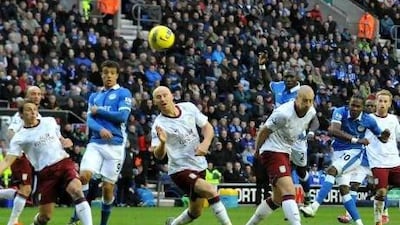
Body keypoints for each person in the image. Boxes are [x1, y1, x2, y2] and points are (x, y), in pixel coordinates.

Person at [300, 94, 390, 225]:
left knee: (331, 171)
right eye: (352, 105)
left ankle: (313, 207)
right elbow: (333, 130)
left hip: (354, 153)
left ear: (362, 108)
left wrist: (385, 136)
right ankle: (359, 223)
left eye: (357, 106)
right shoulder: (340, 111)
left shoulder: (368, 120)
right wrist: (356, 139)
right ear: (349, 104)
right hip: (338, 153)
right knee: (344, 192)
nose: (354, 108)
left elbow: (382, 137)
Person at [0, 100, 93, 225]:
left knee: (76, 190)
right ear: (21, 115)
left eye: (34, 109)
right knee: (45, 217)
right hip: (46, 173)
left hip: (64, 163)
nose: (33, 112)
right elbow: (7, 160)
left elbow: (59, 137)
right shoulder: (20, 138)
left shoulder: (49, 121)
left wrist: (65, 141)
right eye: (28, 110)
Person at [150, 86, 232, 225]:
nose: (162, 99)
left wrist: (205, 143)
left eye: (165, 95)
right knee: (211, 191)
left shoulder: (188, 107)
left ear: (172, 96)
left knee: (195, 212)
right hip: (180, 169)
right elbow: (158, 155)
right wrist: (163, 143)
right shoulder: (159, 125)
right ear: (154, 102)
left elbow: (207, 127)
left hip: (199, 165)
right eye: (158, 97)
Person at [70, 60, 132, 225]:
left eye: (112, 73)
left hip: (115, 145)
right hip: (96, 143)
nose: (109, 76)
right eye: (106, 72)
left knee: (107, 188)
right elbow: (89, 120)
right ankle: (77, 215)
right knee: (84, 176)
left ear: (117, 75)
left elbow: (122, 117)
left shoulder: (124, 93)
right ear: (102, 74)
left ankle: (103, 223)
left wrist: (101, 111)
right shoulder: (94, 96)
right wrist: (101, 129)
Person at [245, 85, 316, 225]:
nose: (307, 104)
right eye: (304, 100)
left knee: (277, 199)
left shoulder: (311, 112)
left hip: (285, 152)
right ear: (297, 99)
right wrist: (257, 151)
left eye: (310, 101)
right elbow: (264, 131)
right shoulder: (283, 113)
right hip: (272, 150)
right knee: (289, 191)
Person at [270, 70, 319, 204]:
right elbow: (266, 82)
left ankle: (307, 195)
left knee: (301, 171)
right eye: (286, 76)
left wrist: (311, 133)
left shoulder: (302, 93)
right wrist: (262, 66)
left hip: (298, 139)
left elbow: (314, 119)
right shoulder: (278, 86)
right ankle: (287, 202)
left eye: (291, 76)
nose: (288, 79)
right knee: (284, 169)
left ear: (297, 77)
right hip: (279, 138)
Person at [1, 86, 41, 225]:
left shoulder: (37, 114)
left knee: (24, 190)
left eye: (38, 94)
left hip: (29, 157)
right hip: (20, 156)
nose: (36, 96)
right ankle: (12, 222)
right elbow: (10, 132)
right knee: (26, 189)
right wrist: (16, 150)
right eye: (33, 94)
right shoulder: (21, 115)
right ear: (27, 97)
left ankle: (13, 221)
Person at [337, 97, 376, 223]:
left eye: (372, 106)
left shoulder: (378, 121)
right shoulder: (361, 120)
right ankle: (348, 215)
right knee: (354, 186)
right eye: (368, 106)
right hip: (363, 159)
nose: (370, 108)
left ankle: (384, 213)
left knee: (380, 188)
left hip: (377, 161)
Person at [365, 90, 400, 225]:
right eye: (380, 101)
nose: (382, 104)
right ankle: (378, 220)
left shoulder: (393, 119)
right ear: (376, 102)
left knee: (384, 189)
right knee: (381, 192)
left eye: (386, 101)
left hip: (395, 161)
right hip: (378, 162)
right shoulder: (368, 119)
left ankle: (387, 185)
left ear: (390, 104)